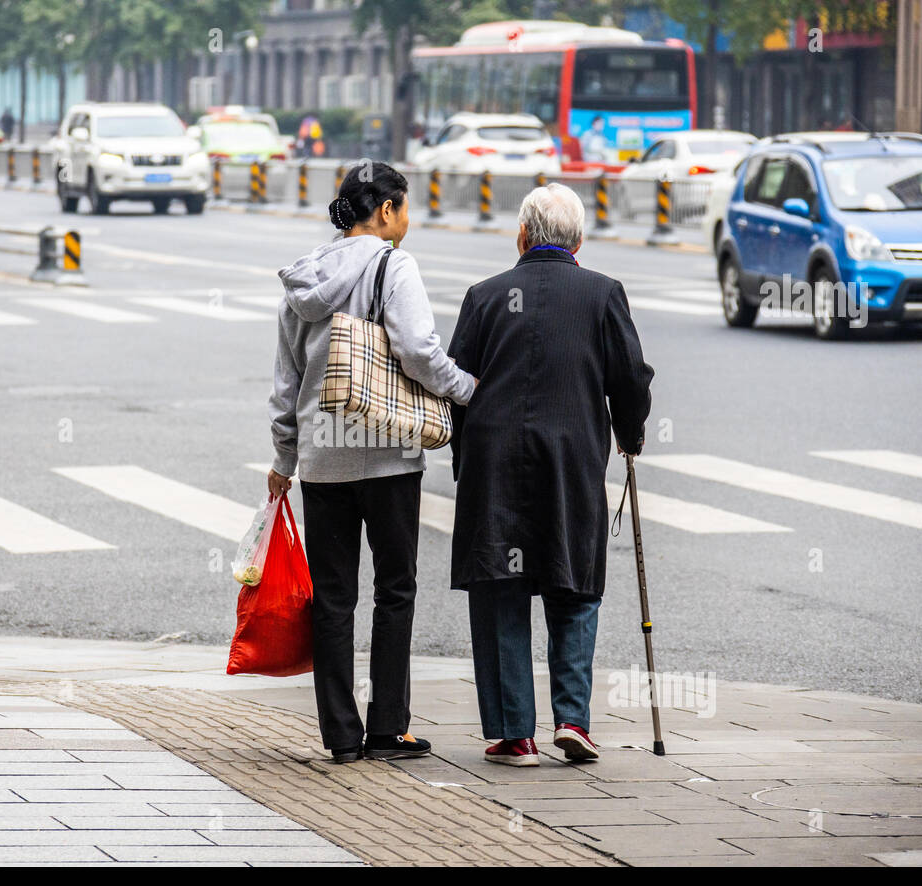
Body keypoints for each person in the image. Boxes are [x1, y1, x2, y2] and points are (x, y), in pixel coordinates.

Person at [267, 161, 476, 764]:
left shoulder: (303, 279)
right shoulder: (393, 265)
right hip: (387, 456)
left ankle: (339, 733)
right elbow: (416, 350)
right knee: (395, 589)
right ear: (385, 209)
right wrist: (465, 389)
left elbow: (286, 383)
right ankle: (387, 728)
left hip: (322, 461)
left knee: (333, 597)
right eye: (404, 209)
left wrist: (285, 456)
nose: (406, 222)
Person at [447, 183, 653, 768]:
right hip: (571, 462)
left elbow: (457, 387)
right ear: (579, 241)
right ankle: (573, 720)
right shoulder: (601, 294)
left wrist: (465, 458)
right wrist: (629, 434)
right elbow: (631, 378)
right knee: (574, 583)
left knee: (501, 589)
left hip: (496, 466)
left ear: (521, 236)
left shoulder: (485, 296)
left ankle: (515, 735)